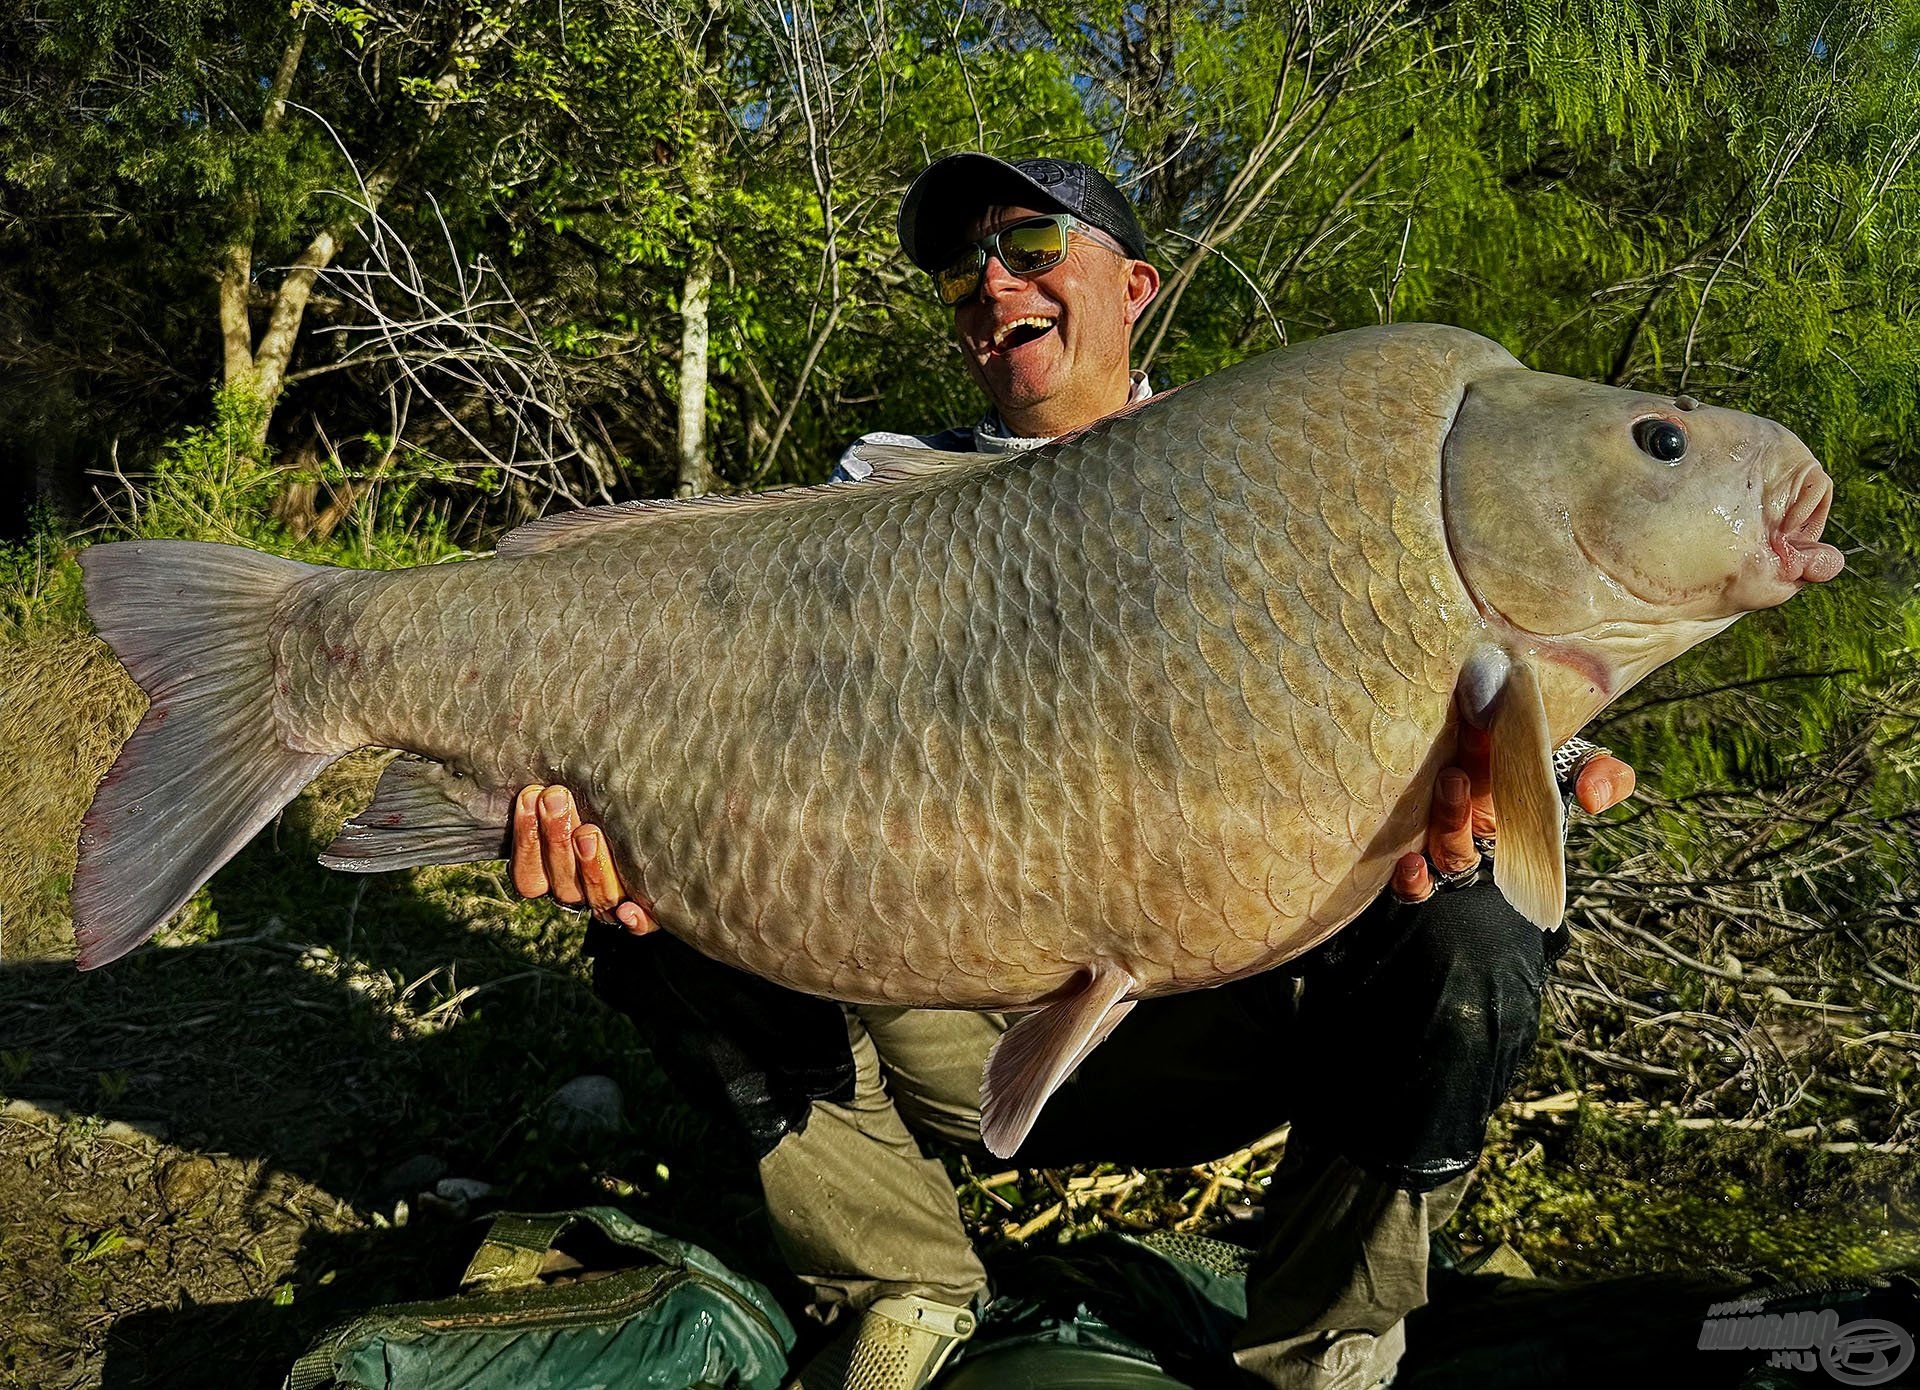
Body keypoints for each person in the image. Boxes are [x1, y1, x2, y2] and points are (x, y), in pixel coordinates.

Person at [509, 154, 1637, 1390]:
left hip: (1213, 1020)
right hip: (930, 1005)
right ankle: (901, 1283)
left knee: (1473, 916)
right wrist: (621, 808)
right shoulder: (867, 495)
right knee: (655, 909)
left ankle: (1327, 1339)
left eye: (1034, 243)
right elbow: (725, 704)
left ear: (1136, 282)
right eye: (960, 269)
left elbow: (1408, 673)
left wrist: (1540, 758)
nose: (992, 284)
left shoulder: (1271, 480)